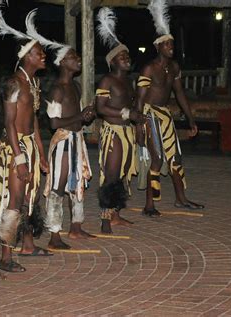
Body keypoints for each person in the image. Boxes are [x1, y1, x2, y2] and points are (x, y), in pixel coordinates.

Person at [24, 9, 96, 249]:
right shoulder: (56, 90)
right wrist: (79, 116)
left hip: (76, 140)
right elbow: (54, 123)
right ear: (63, 62)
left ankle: (76, 227)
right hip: (64, 141)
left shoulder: (74, 87)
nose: (78, 60)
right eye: (74, 57)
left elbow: (75, 118)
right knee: (58, 186)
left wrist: (85, 116)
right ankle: (54, 235)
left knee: (77, 184)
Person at [0, 1, 51, 273]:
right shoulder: (13, 83)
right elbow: (9, 122)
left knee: (30, 198)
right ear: (27, 55)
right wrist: (20, 158)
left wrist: (40, 152)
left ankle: (27, 244)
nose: (44, 56)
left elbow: (34, 119)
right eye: (39, 52)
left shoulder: (33, 83)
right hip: (15, 146)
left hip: (29, 145)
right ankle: (5, 257)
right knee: (14, 201)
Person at [135, 0, 203, 216]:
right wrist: (138, 124)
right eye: (167, 44)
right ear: (158, 47)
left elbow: (180, 94)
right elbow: (139, 99)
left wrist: (191, 120)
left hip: (164, 115)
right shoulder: (149, 68)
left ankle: (181, 199)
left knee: (176, 158)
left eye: (172, 44)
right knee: (156, 158)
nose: (171, 47)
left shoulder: (174, 67)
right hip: (148, 114)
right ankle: (149, 204)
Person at [95, 7, 146, 234]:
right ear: (112, 62)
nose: (127, 59)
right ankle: (105, 220)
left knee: (123, 175)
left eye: (127, 56)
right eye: (122, 57)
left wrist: (137, 122)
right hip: (113, 133)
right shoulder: (107, 81)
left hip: (126, 132)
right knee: (112, 175)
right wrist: (128, 115)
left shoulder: (129, 81)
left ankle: (116, 216)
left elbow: (134, 107)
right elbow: (101, 108)